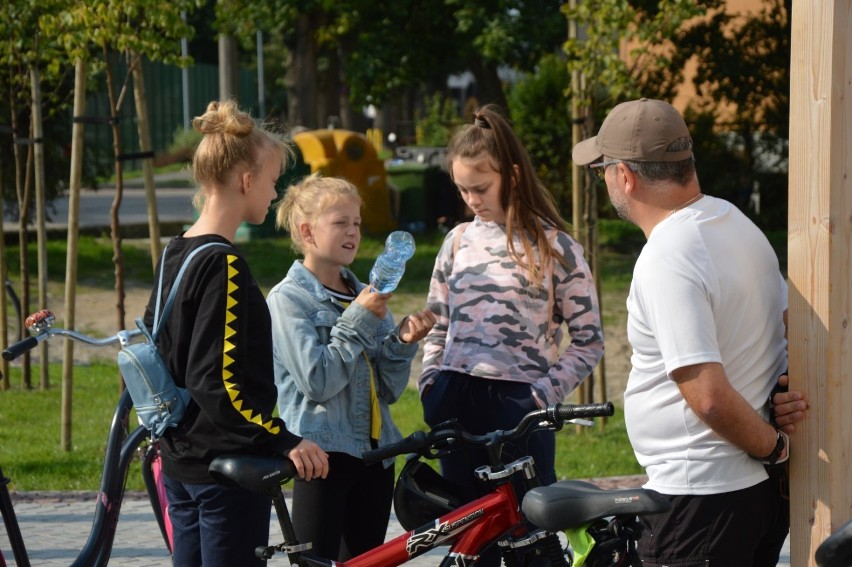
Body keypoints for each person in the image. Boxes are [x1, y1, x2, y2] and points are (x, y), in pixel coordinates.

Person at [572, 97, 805, 566]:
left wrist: (777, 449)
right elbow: (788, 329)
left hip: (700, 498)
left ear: (626, 176)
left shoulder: (667, 258)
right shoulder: (735, 222)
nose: (606, 182)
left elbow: (708, 396)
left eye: (603, 171)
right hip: (746, 493)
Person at [142, 100, 329, 567]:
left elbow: (154, 348)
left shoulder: (177, 249)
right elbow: (218, 383)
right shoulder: (224, 263)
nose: (273, 193)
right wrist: (283, 439)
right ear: (246, 181)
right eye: (270, 181)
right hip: (223, 472)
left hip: (181, 463)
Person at [418, 104, 605, 565]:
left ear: (513, 176)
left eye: (479, 188)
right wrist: (430, 385)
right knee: (468, 542)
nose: (470, 199)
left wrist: (540, 396)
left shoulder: (556, 247)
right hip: (455, 403)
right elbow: (437, 322)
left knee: (530, 541)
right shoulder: (457, 241)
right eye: (462, 189)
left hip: (520, 408)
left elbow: (589, 340)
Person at [267, 173, 436, 561]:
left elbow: (387, 391)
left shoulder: (363, 292)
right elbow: (318, 380)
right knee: (316, 561)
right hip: (322, 457)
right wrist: (359, 319)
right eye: (340, 222)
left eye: (357, 222)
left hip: (375, 457)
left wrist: (401, 343)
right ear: (308, 232)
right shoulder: (289, 299)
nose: (353, 232)